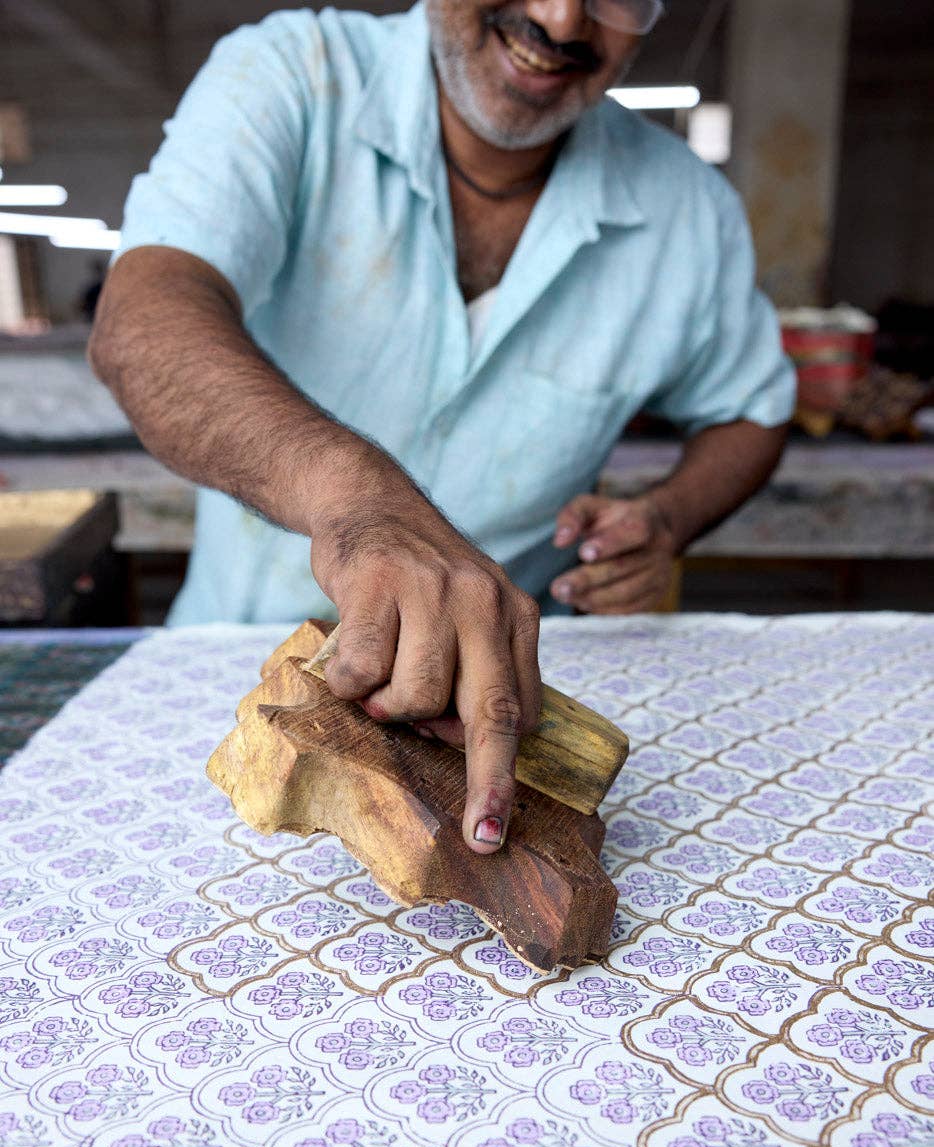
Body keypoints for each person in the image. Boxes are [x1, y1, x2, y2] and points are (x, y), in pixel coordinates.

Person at [89, 0, 795, 855]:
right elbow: (140, 323)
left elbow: (752, 410)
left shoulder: (690, 211)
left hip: (489, 712)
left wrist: (669, 516)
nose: (562, 18)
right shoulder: (292, 74)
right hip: (228, 671)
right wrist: (357, 500)